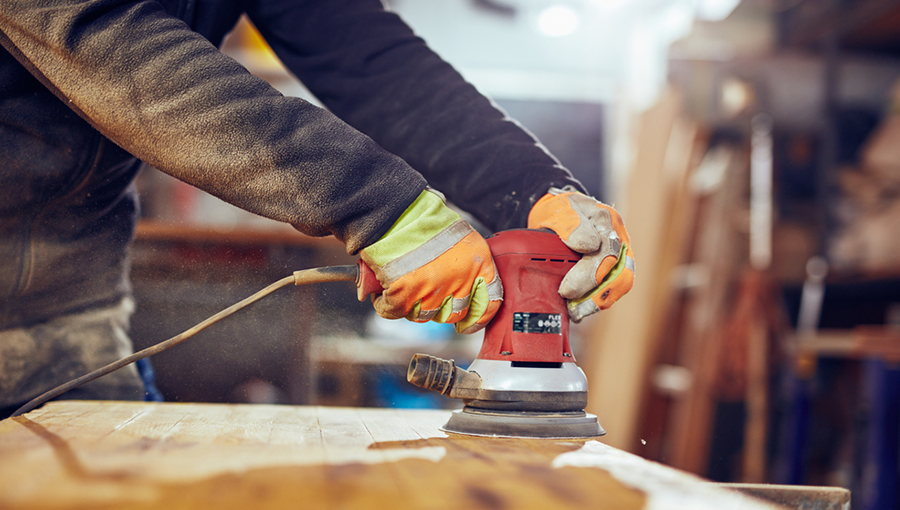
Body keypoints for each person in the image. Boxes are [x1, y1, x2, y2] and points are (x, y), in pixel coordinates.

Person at [0, 0, 634, 417]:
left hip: (71, 308)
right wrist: (385, 210)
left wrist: (535, 191)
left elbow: (373, 64)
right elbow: (110, 43)